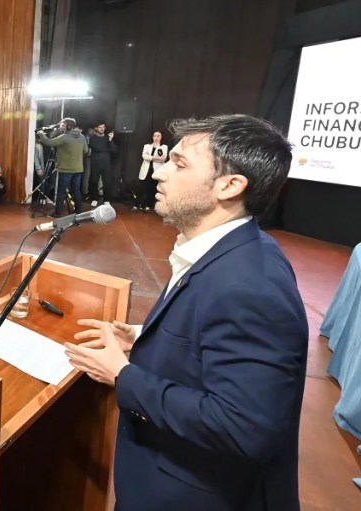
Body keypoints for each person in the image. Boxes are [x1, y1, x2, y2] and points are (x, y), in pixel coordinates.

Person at [64, 115, 307, 511]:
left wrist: (123, 375)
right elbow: (212, 337)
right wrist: (144, 336)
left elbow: (242, 428)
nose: (160, 173)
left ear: (229, 186)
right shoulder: (232, 250)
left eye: (179, 164)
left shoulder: (250, 286)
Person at [36, 118, 88, 216]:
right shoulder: (82, 136)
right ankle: (78, 211)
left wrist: (41, 133)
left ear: (69, 127)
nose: (61, 127)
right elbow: (86, 150)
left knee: (61, 191)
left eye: (63, 125)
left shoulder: (64, 137)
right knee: (76, 190)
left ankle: (57, 213)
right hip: (78, 169)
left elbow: (49, 142)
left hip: (66, 169)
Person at [87, 122, 119, 206]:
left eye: (103, 127)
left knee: (107, 182)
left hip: (106, 164)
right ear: (96, 128)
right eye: (100, 127)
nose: (102, 129)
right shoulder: (93, 138)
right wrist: (107, 149)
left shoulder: (108, 138)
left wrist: (110, 140)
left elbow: (115, 150)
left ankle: (107, 200)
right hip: (95, 163)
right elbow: (97, 147)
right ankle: (95, 198)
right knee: (94, 181)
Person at [135, 131, 168, 211]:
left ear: (161, 137)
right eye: (155, 136)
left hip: (156, 170)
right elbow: (144, 156)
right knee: (141, 187)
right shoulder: (147, 146)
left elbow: (163, 159)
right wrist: (155, 158)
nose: (156, 137)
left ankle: (147, 205)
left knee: (152, 188)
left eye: (158, 136)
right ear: (153, 137)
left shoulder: (163, 147)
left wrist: (151, 157)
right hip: (146, 170)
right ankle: (137, 204)